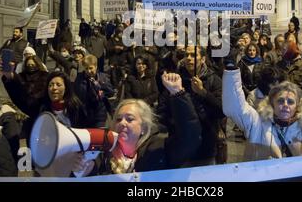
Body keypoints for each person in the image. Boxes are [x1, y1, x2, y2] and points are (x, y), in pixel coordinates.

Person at [74, 73, 202, 175]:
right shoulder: (103, 152)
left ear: (144, 127)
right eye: (118, 119)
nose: (122, 123)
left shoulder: (160, 149)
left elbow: (189, 138)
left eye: (129, 119)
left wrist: (177, 94)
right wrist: (88, 170)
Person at [222, 67, 302, 161]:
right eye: (280, 101)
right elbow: (234, 108)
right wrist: (232, 72)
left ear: (297, 106)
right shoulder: (257, 125)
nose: (285, 105)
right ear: (272, 103)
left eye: (290, 102)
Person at [156, 46, 223, 166]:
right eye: (186, 55)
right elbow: (162, 110)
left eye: (193, 55)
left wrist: (203, 93)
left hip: (205, 147)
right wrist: (178, 124)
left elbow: (222, 110)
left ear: (202, 59)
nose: (189, 58)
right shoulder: (175, 80)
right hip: (179, 147)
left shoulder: (214, 80)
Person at [74, 54, 114, 126]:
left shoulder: (103, 77)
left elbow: (111, 92)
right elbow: (77, 94)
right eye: (86, 69)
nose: (88, 71)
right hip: (85, 114)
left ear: (96, 67)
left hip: (99, 114)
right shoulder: (79, 78)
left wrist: (99, 85)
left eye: (91, 68)